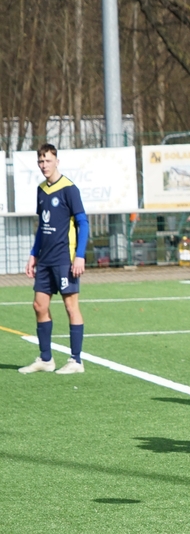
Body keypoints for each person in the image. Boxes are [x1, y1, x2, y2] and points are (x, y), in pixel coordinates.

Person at [20, 144, 90, 375]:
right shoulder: (41, 190)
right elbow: (42, 227)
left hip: (64, 258)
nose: (44, 165)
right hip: (45, 259)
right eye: (41, 161)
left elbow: (83, 223)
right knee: (39, 305)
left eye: (48, 161)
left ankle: (76, 361)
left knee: (71, 306)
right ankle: (46, 359)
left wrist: (79, 255)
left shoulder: (69, 189)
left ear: (57, 161)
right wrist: (34, 254)